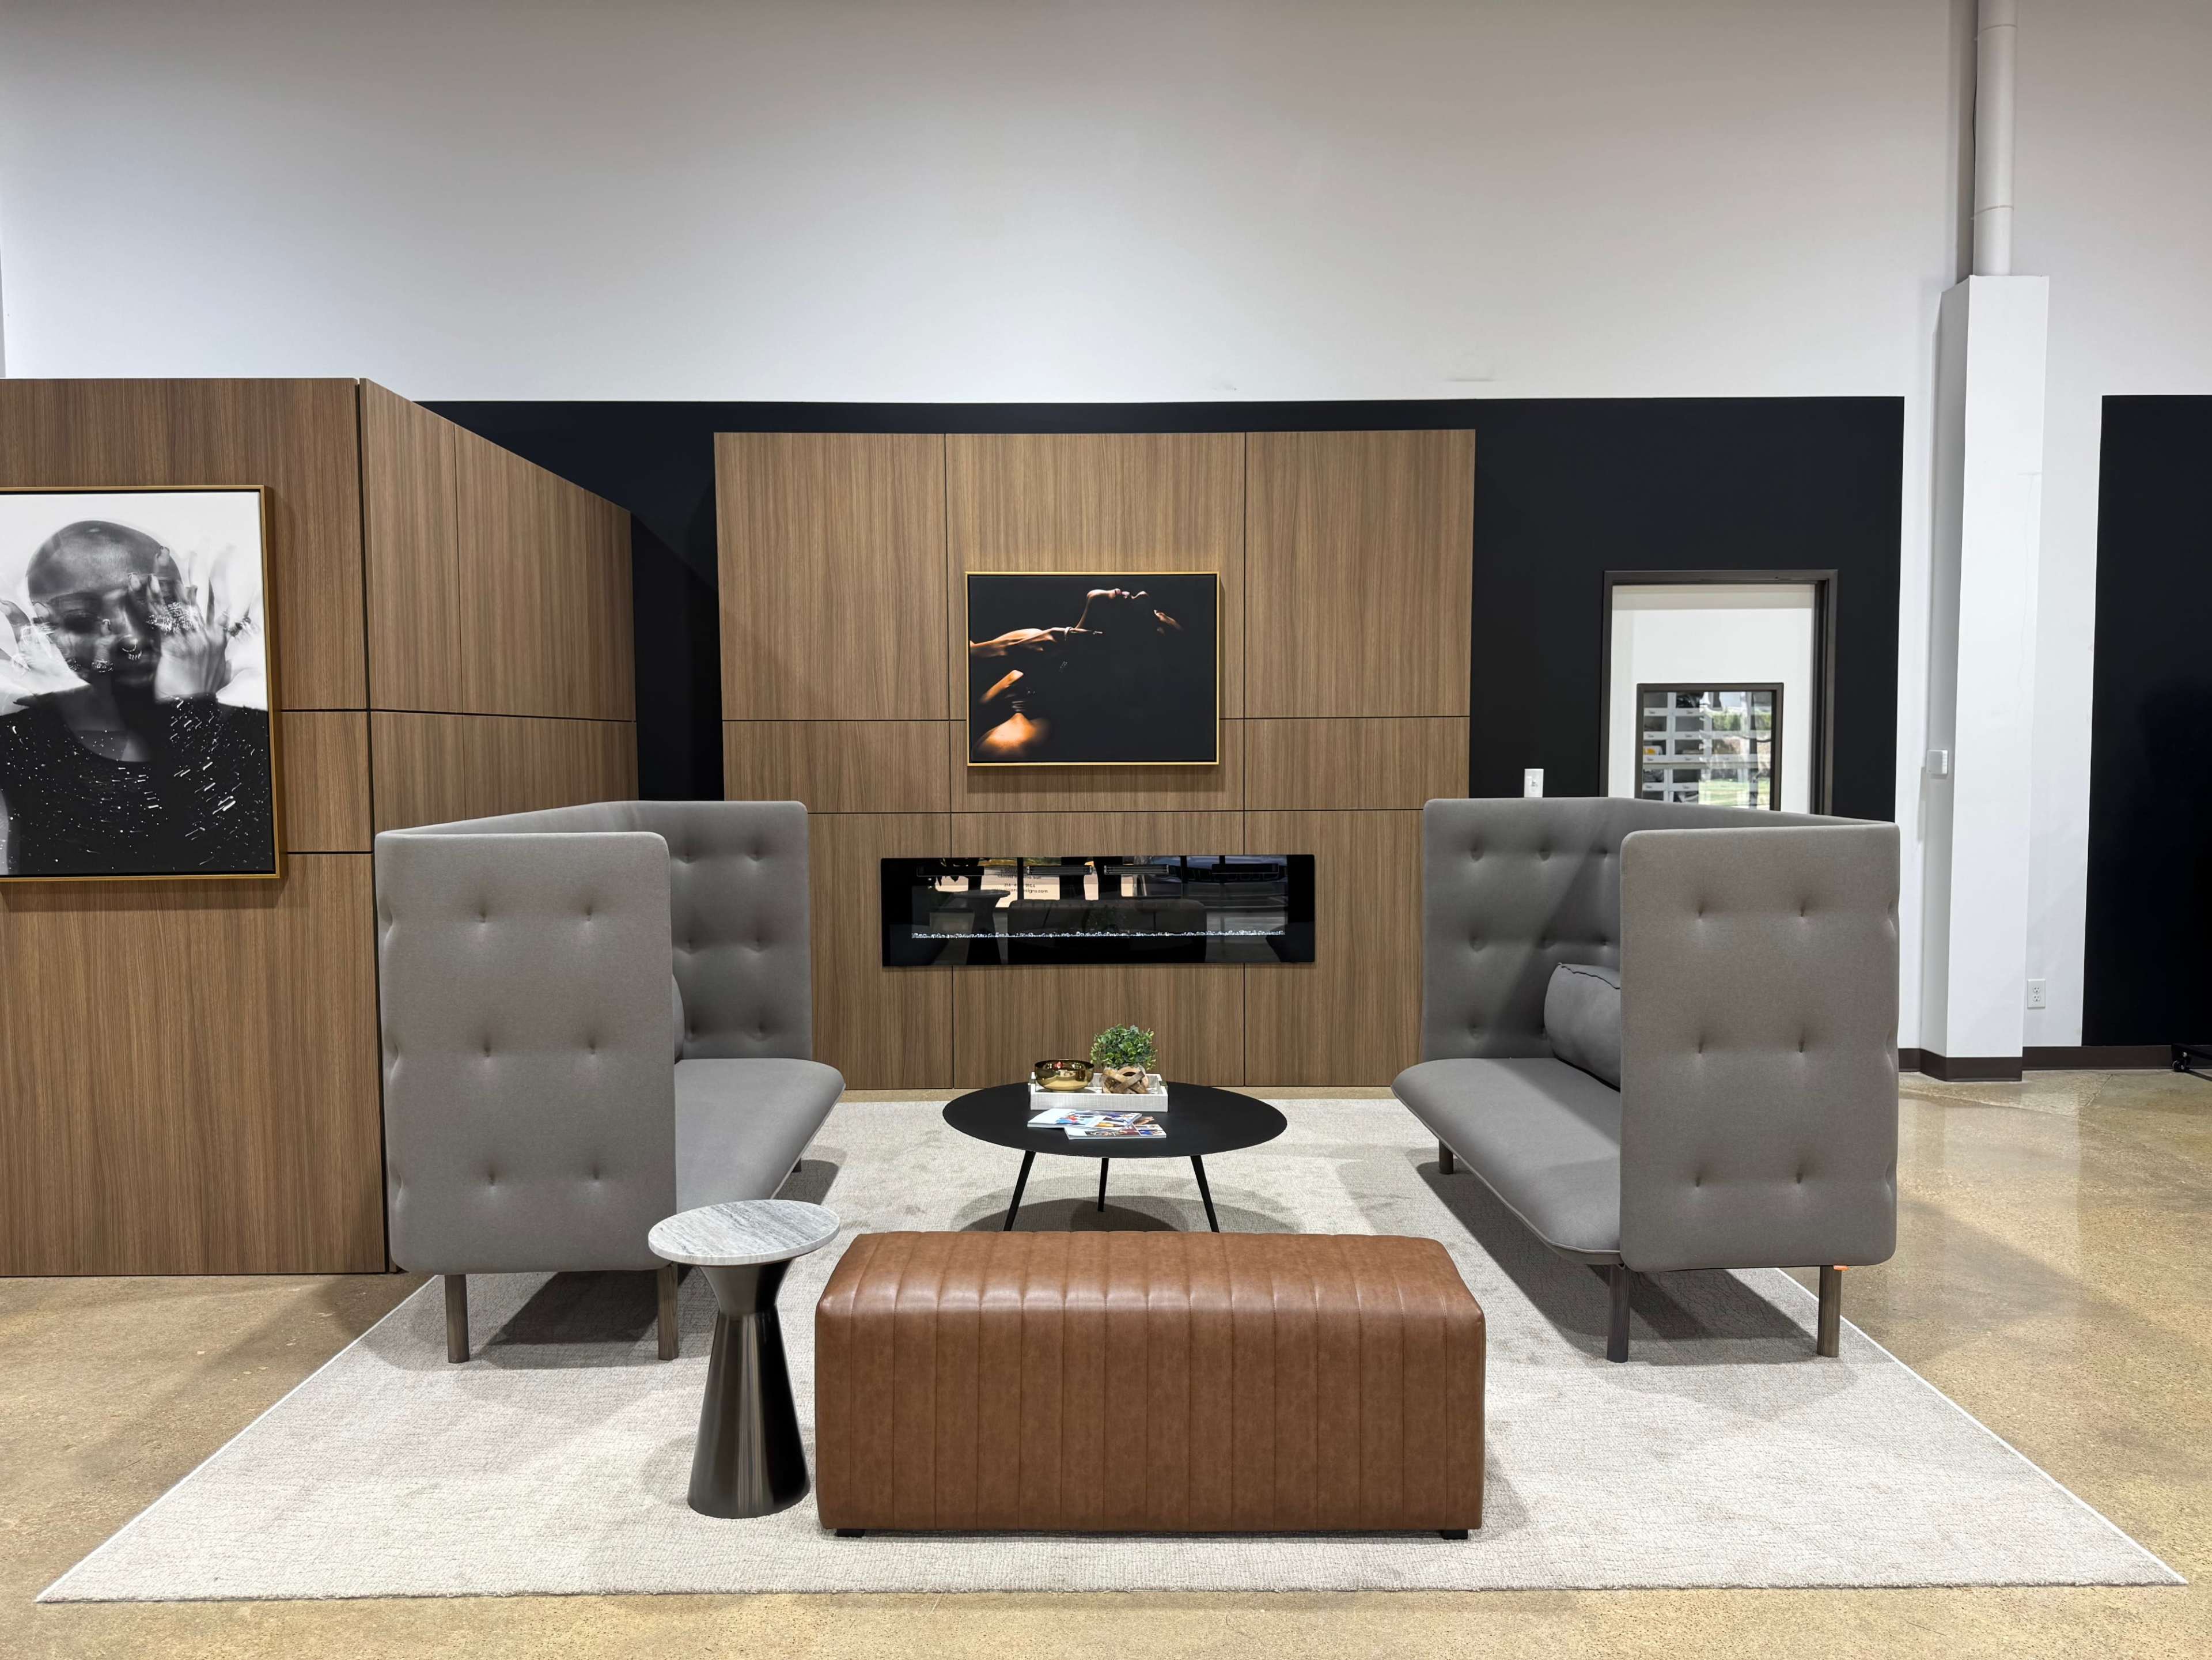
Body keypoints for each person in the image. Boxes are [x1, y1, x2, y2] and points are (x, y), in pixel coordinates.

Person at [0, 520, 272, 876]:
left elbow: (247, 876)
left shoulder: (260, 737)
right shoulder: (18, 745)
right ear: (48, 631)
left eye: (150, 610)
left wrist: (190, 710)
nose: (131, 639)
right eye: (83, 620)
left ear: (186, 606)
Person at [967, 585, 1206, 762]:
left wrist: (1009, 650)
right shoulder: (1033, 640)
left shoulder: (1017, 743)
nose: (1143, 595)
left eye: (1151, 617)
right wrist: (1013, 648)